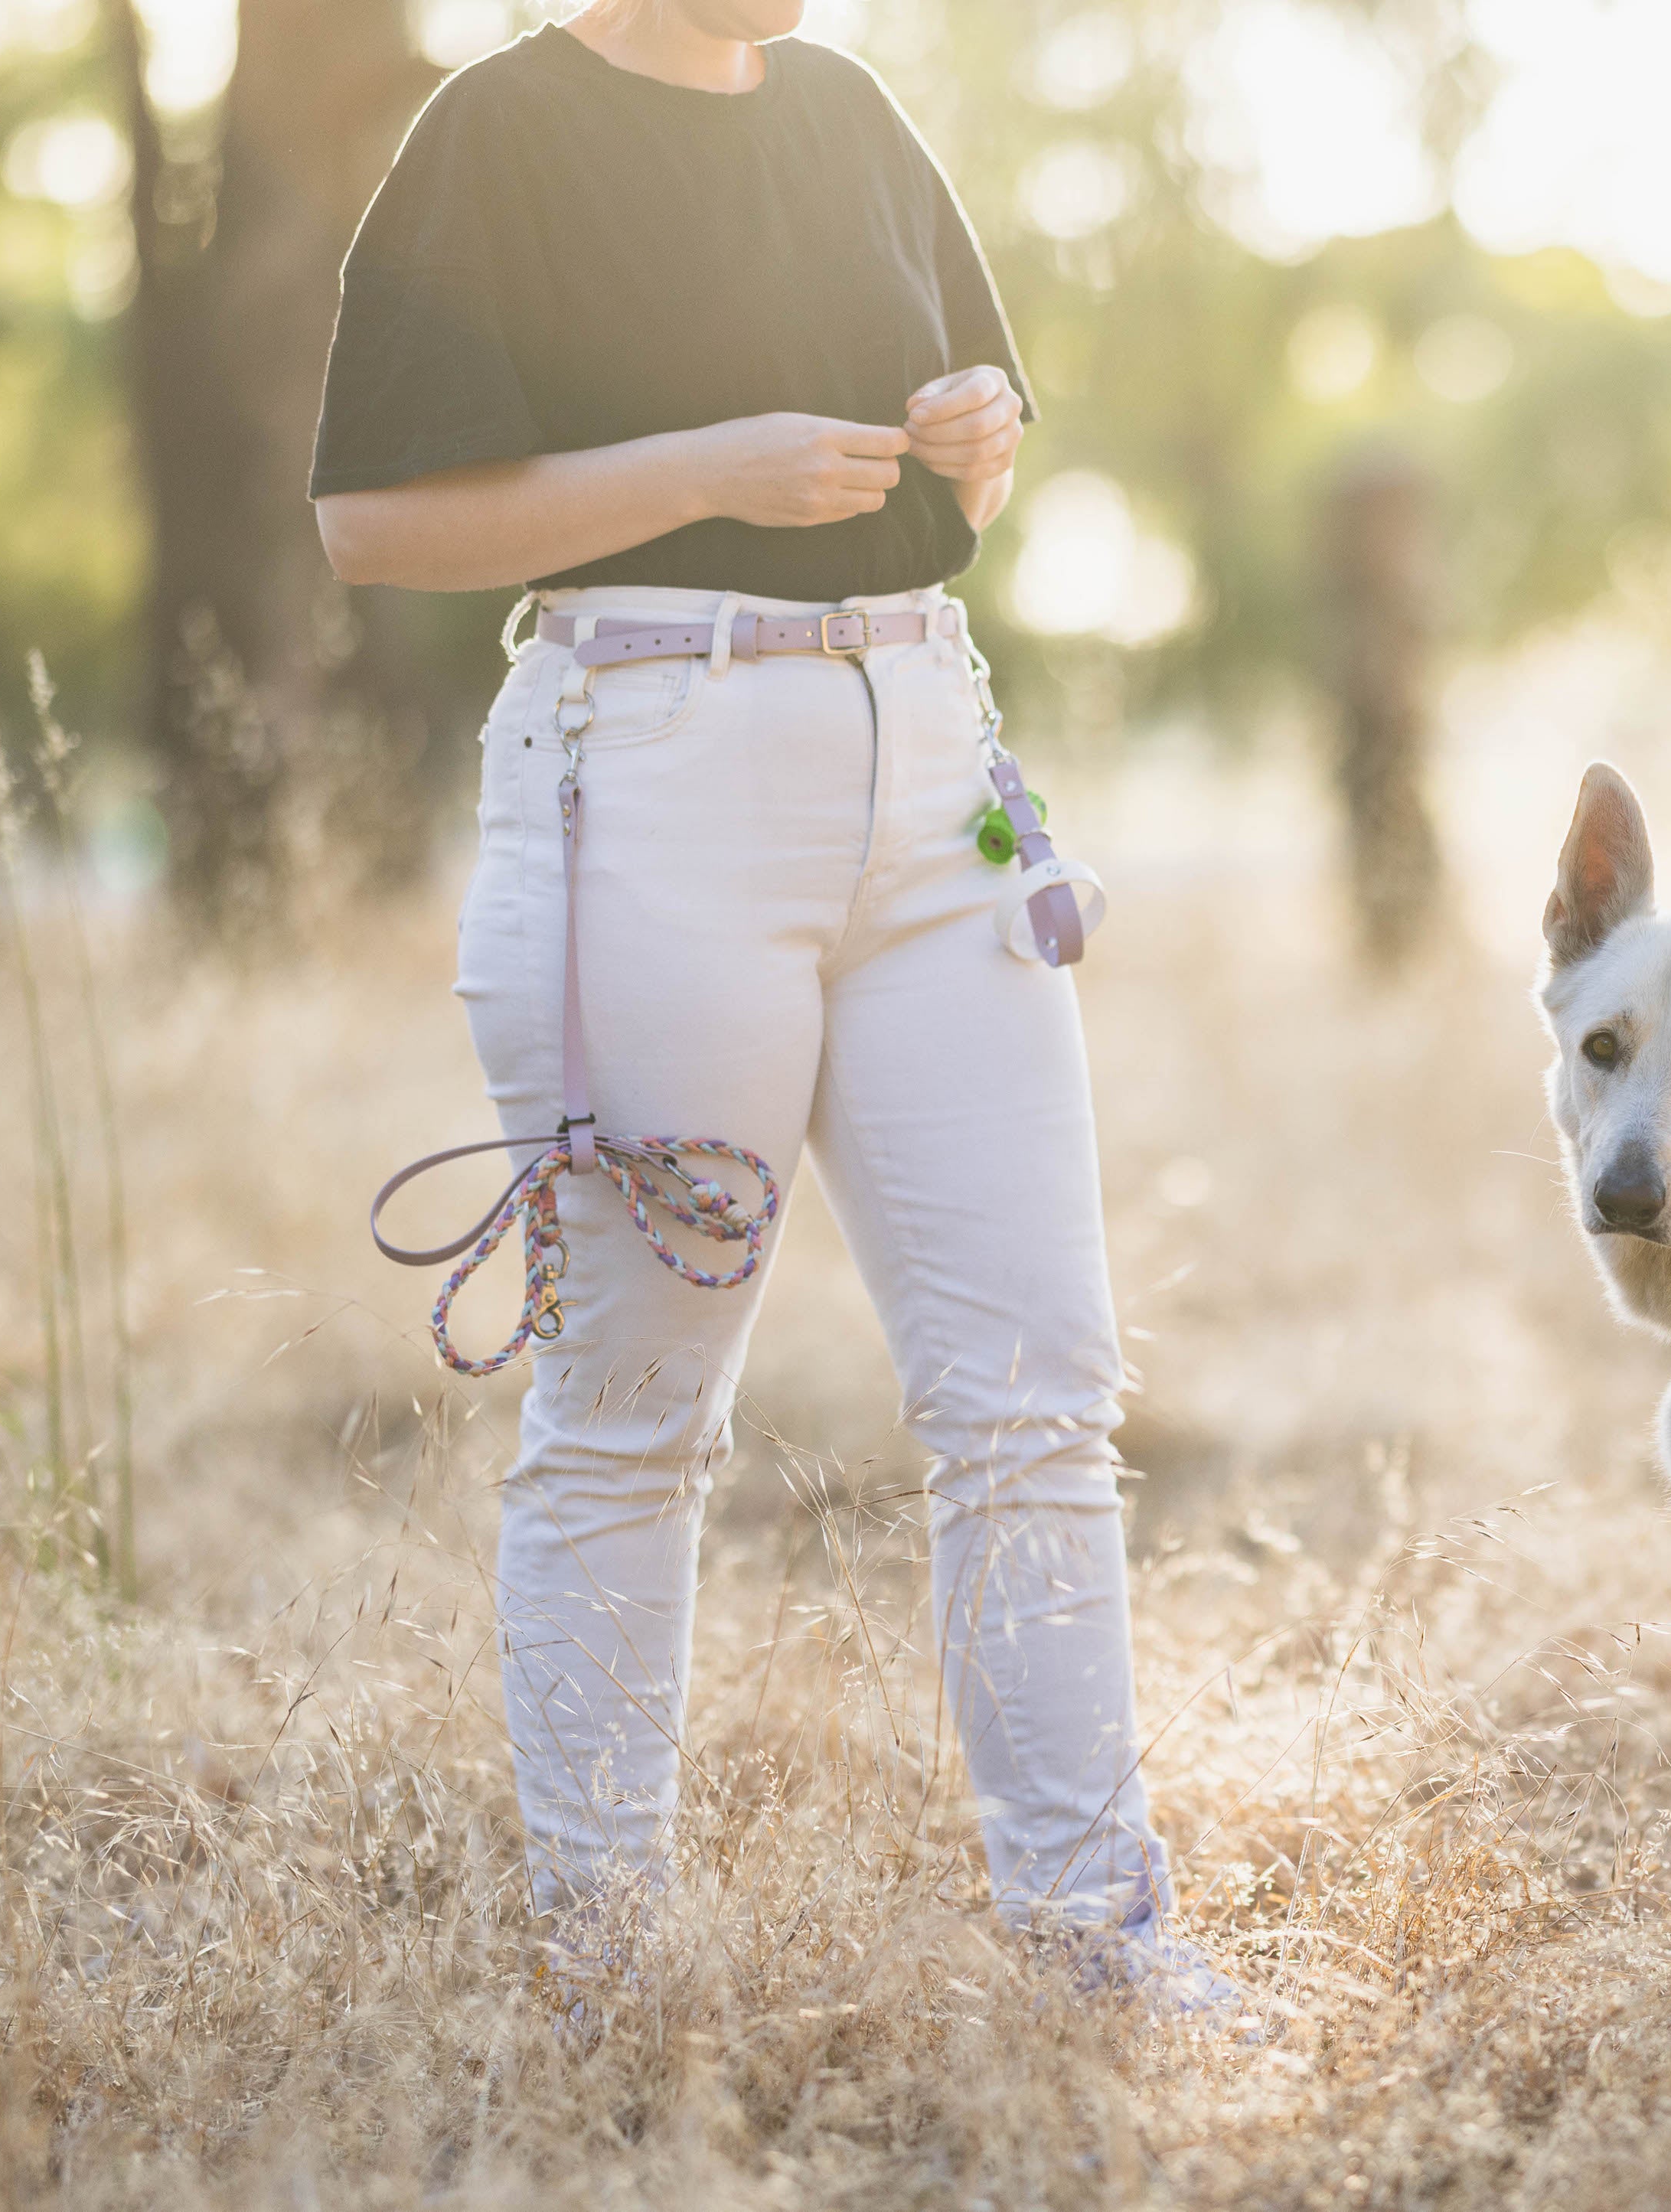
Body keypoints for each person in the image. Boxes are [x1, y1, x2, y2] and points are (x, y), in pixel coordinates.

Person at [310, 0, 1226, 2011]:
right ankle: (608, 1962)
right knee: (638, 1404)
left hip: (928, 767)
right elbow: (373, 522)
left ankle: (1096, 1932)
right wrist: (696, 470)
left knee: (1038, 1384)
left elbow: (952, 485)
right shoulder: (499, 132)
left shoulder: (853, 110)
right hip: (646, 762)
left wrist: (977, 447)